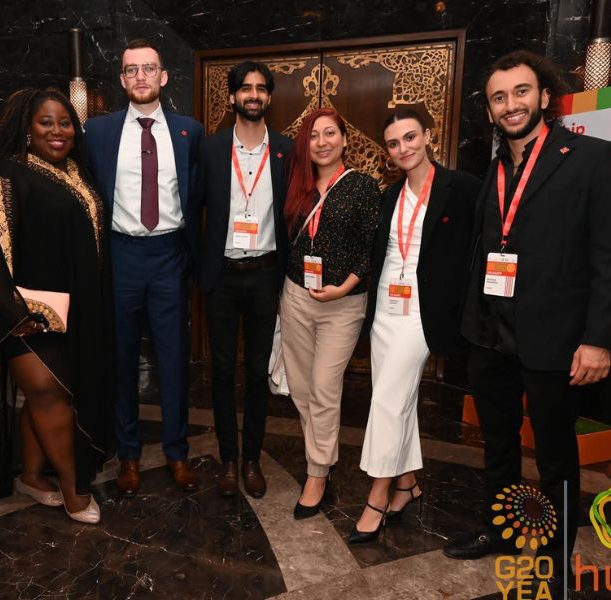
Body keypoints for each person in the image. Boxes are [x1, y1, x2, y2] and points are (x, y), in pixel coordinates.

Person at [443, 51, 611, 597]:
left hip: (555, 338)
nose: (511, 105)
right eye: (500, 97)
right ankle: (504, 532)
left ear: (545, 96)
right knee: (497, 444)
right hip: (489, 334)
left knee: (555, 456)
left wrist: (598, 340)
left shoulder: (594, 158)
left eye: (521, 92)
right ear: (491, 109)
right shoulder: (495, 167)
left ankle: (554, 557)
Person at [0, 88, 113, 525]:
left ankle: (32, 476)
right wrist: (15, 314)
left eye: (65, 123)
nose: (57, 132)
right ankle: (75, 490)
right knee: (48, 392)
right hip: (25, 318)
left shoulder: (77, 173)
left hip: (73, 314)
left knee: (49, 396)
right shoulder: (7, 176)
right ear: (27, 127)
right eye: (46, 122)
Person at [350, 109, 480, 543]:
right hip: (387, 307)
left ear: (428, 135)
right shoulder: (391, 195)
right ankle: (407, 484)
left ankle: (378, 495)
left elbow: (476, 248)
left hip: (425, 311)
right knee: (395, 396)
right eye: (393, 143)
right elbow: (382, 255)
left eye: (410, 137)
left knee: (388, 400)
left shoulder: (459, 188)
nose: (403, 148)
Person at [86, 39, 203, 496]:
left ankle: (176, 452)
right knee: (121, 359)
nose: (140, 77)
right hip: (120, 257)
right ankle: (128, 454)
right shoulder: (98, 132)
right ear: (121, 79)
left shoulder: (188, 132)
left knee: (174, 359)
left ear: (163, 77)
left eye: (148, 69)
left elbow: (197, 200)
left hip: (170, 256)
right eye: (131, 69)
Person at [279, 107, 381, 519]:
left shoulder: (362, 187)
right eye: (314, 136)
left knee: (324, 387)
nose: (322, 142)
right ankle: (321, 455)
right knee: (302, 389)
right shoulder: (296, 185)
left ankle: (318, 471)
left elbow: (371, 246)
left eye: (330, 134)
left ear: (343, 138)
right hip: (297, 297)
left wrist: (348, 284)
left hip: (343, 303)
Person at [198, 61, 291, 499]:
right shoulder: (212, 149)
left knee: (256, 373)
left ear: (269, 97)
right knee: (220, 371)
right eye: (245, 88)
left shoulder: (287, 152)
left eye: (260, 88)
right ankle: (228, 459)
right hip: (221, 275)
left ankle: (252, 458)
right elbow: (192, 209)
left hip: (265, 276)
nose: (253, 95)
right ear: (232, 97)